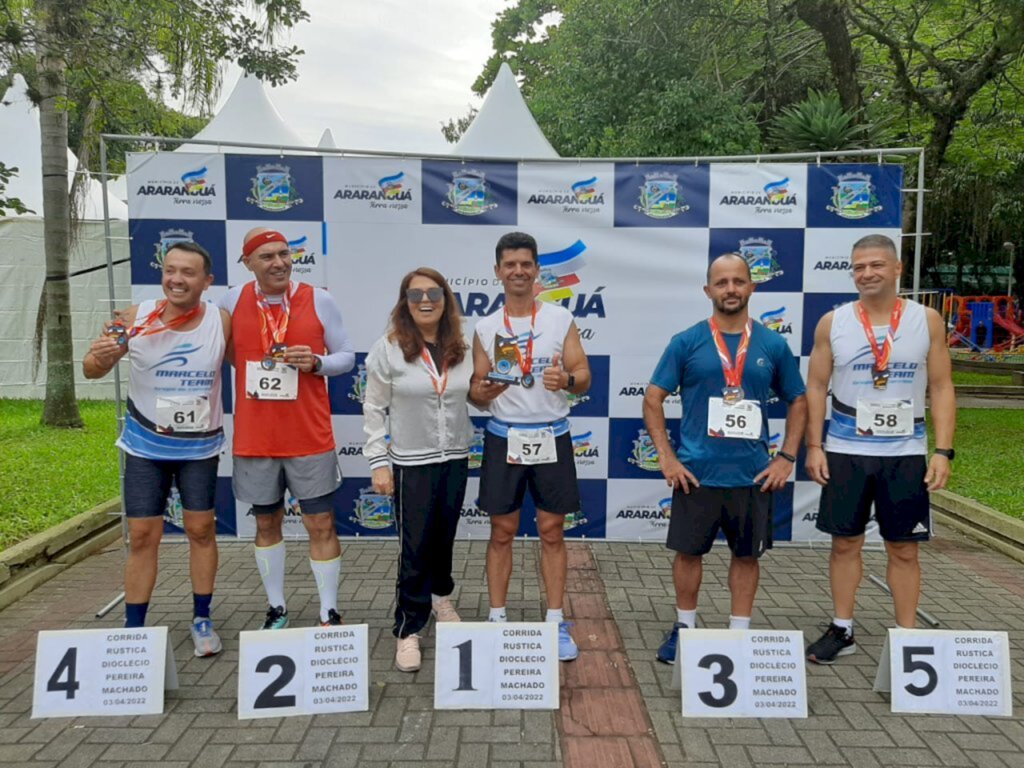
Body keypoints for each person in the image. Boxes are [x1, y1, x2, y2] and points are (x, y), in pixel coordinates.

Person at [643, 253, 807, 665]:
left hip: (752, 477)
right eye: (722, 282)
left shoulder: (772, 344)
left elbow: (799, 400)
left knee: (747, 556)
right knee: (688, 554)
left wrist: (787, 456)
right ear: (708, 291)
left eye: (738, 281)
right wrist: (667, 458)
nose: (730, 289)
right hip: (696, 474)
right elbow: (652, 399)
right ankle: (684, 628)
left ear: (751, 287)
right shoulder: (687, 341)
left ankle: (740, 634)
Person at [804, 234, 955, 664]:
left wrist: (943, 451)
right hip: (846, 450)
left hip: (905, 453)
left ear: (897, 269)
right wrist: (814, 446)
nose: (866, 273)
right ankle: (843, 629)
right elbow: (816, 386)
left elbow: (942, 386)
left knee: (904, 548)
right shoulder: (833, 322)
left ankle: (907, 638)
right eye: (858, 267)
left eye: (875, 265)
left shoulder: (926, 320)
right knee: (844, 543)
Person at [83, 241, 229, 656]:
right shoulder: (133, 318)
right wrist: (103, 357)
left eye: (187, 272)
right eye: (170, 270)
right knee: (144, 535)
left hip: (198, 448)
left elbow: (252, 367)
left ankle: (202, 618)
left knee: (201, 530)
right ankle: (134, 630)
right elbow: (90, 369)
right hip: (145, 445)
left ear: (207, 281)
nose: (176, 279)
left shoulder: (220, 321)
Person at [219, 227, 355, 629]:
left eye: (284, 254)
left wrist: (316, 362)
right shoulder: (231, 300)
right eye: (266, 257)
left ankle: (329, 611)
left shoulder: (320, 299)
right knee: (265, 523)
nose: (278, 262)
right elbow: (228, 354)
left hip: (308, 436)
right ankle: (276, 607)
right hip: (256, 437)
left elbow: (346, 356)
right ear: (248, 263)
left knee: (321, 522)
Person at [469, 231, 591, 662]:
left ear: (537, 270)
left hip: (551, 436)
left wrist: (568, 381)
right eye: (510, 264)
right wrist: (486, 391)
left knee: (551, 531)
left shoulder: (559, 319)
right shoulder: (485, 327)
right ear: (498, 272)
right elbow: (475, 391)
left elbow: (583, 374)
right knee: (501, 532)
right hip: (505, 438)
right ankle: (497, 618)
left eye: (526, 263)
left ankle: (555, 621)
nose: (518, 271)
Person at [363, 268, 474, 672]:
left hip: (456, 456)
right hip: (411, 462)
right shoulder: (389, 348)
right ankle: (408, 627)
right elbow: (373, 407)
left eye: (434, 293)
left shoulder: (460, 346)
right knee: (414, 548)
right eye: (415, 294)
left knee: (444, 537)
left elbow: (474, 393)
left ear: (446, 300)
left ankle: (441, 597)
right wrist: (378, 462)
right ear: (404, 302)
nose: (425, 301)